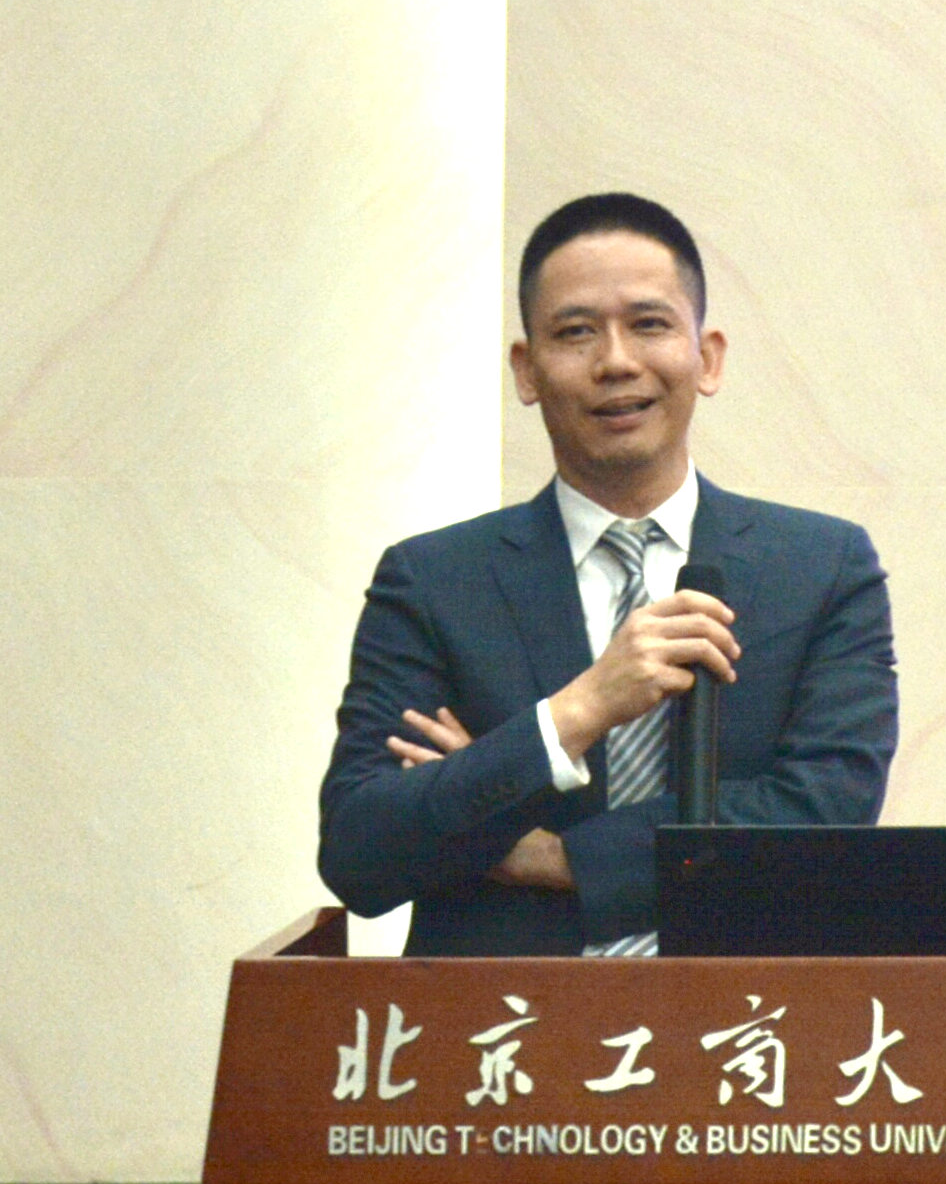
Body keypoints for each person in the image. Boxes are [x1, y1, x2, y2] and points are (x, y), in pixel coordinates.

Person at [319, 193, 897, 958]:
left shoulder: (823, 566)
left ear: (708, 357)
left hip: (752, 1018)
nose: (617, 361)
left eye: (649, 324)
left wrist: (547, 856)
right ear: (527, 370)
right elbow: (359, 849)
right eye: (576, 331)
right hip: (505, 1023)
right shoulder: (431, 581)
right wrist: (577, 711)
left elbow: (823, 821)